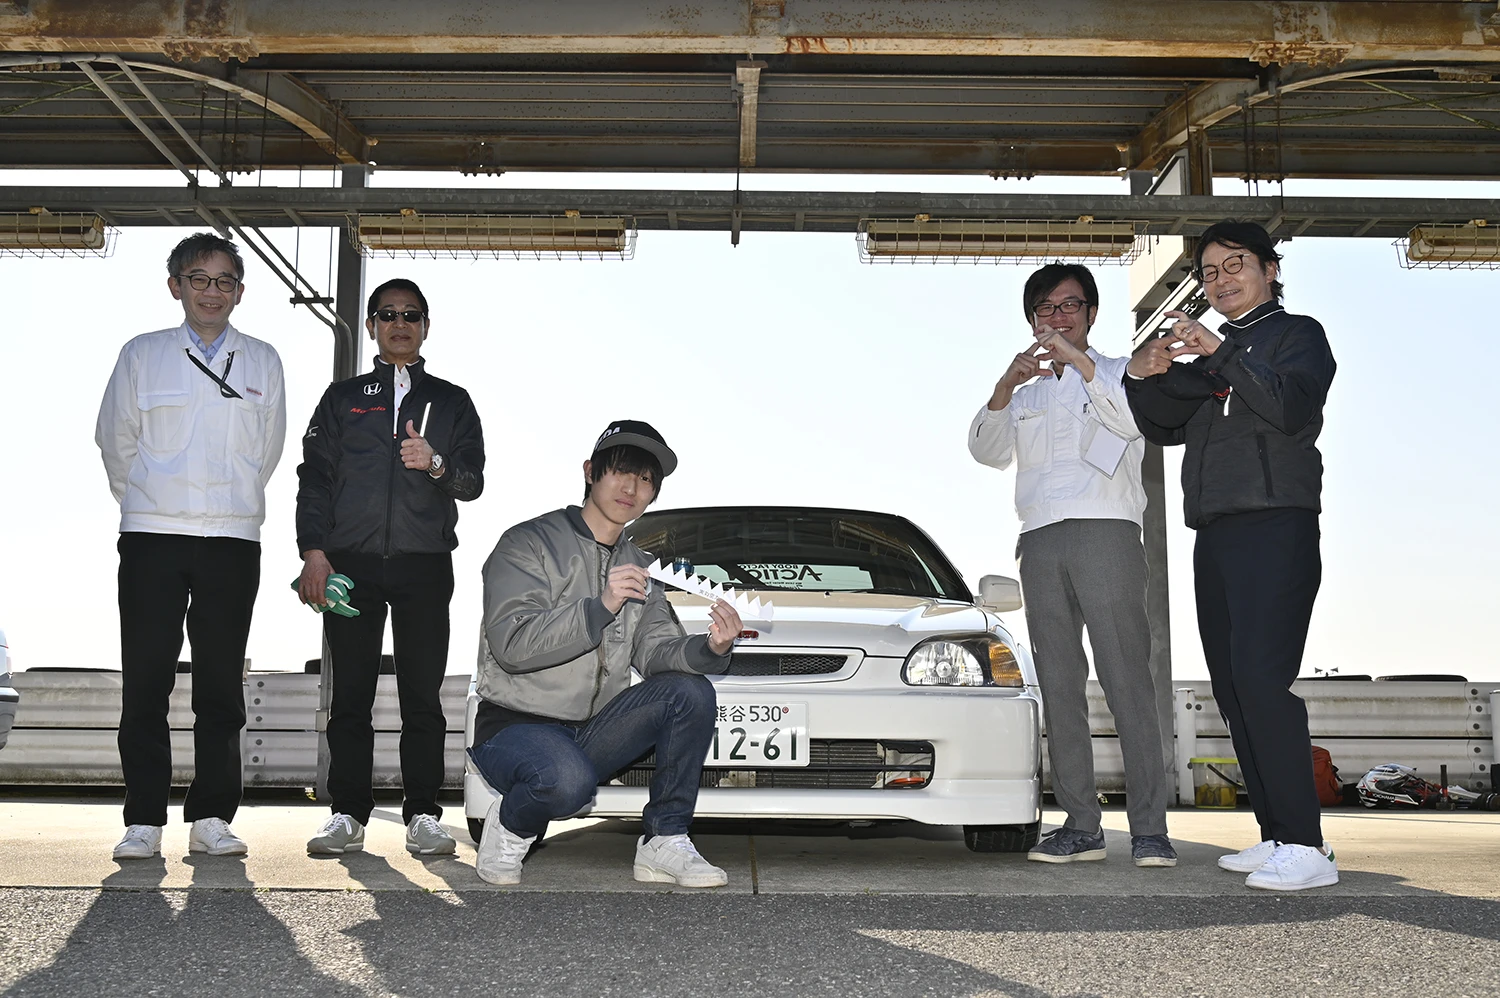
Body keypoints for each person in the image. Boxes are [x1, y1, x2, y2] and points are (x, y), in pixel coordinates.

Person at [1124, 220, 1338, 891]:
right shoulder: (1212, 354)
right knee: (1232, 686)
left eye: (1236, 264)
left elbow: (1289, 407)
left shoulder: (1297, 335)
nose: (1221, 280)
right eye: (1210, 272)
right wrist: (1140, 375)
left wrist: (1218, 351)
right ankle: (1276, 833)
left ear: (1270, 269)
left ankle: (1307, 845)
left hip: (1276, 524)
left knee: (1262, 679)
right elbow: (1161, 424)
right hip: (1214, 531)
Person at [468, 421, 740, 886]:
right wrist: (600, 606)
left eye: (646, 479)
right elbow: (512, 646)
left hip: (593, 731)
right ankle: (510, 825)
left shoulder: (641, 567)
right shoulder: (527, 542)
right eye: (621, 472)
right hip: (514, 726)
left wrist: (710, 647)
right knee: (565, 781)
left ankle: (664, 839)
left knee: (690, 692)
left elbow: (656, 651)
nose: (632, 488)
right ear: (590, 472)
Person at [969, 263, 1175, 868]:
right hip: (1039, 538)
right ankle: (1081, 825)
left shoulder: (1121, 371)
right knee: (1059, 684)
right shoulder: (1025, 395)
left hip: (1107, 531)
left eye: (1069, 306)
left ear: (1092, 312)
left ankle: (1150, 830)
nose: (1057, 318)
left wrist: (1080, 363)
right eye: (1045, 309)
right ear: (1031, 319)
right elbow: (985, 451)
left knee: (1126, 679)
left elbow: (1133, 421)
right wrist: (1005, 385)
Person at [96, 232, 287, 860]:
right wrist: (149, 500)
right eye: (199, 279)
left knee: (220, 686)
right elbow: (116, 440)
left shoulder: (262, 361)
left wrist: (231, 503)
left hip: (231, 538)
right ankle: (143, 821)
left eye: (224, 280)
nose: (212, 292)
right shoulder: (142, 354)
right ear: (175, 285)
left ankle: (211, 817)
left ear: (240, 291)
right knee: (146, 680)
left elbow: (267, 453)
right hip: (152, 536)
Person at [296, 278, 485, 856]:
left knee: (421, 697)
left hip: (424, 563)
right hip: (350, 564)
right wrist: (313, 551)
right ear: (372, 325)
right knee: (350, 696)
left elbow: (472, 482)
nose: (399, 323)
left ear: (425, 325)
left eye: (410, 314)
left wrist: (434, 463)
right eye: (387, 314)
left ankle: (423, 813)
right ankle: (347, 813)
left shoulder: (452, 401)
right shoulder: (342, 398)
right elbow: (314, 477)